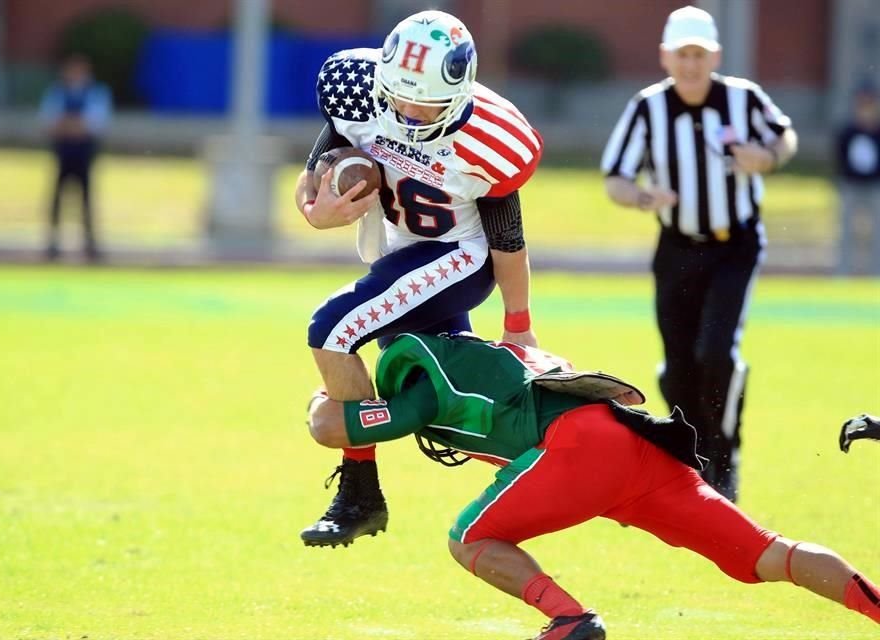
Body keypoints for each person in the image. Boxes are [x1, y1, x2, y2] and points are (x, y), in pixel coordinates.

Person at [306, 332, 880, 640]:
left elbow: (336, 426)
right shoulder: (485, 353)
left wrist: (320, 396)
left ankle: (570, 619)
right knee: (766, 553)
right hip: (634, 442)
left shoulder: (422, 386)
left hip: (577, 448)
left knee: (469, 538)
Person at [294, 10, 543, 547]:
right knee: (435, 389)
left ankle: (360, 497)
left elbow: (507, 239)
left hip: (460, 255)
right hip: (399, 253)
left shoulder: (490, 138)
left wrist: (519, 325)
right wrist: (315, 211)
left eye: (423, 101)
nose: (406, 111)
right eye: (398, 96)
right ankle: (552, 451)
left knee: (331, 329)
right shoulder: (354, 89)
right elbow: (314, 175)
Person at [600, 5, 798, 502]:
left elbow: (784, 136)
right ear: (666, 56)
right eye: (682, 54)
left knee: (716, 352)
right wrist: (643, 196)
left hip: (735, 246)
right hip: (677, 248)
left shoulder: (743, 98)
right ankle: (695, 455)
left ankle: (724, 456)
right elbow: (615, 179)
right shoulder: (648, 107)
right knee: (678, 364)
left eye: (699, 54)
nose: (690, 64)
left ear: (715, 57)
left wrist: (768, 157)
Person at [39, 53, 112, 261]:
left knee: (86, 199)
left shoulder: (96, 93)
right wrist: (74, 125)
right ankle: (53, 242)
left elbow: (95, 124)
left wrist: (68, 124)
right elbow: (49, 122)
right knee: (57, 197)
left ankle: (90, 243)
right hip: (63, 152)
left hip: (84, 153)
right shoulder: (57, 93)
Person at [835, 82, 880, 275]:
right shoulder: (848, 131)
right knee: (846, 233)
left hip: (875, 186)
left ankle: (875, 273)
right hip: (851, 186)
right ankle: (843, 274)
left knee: (876, 234)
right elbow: (841, 158)